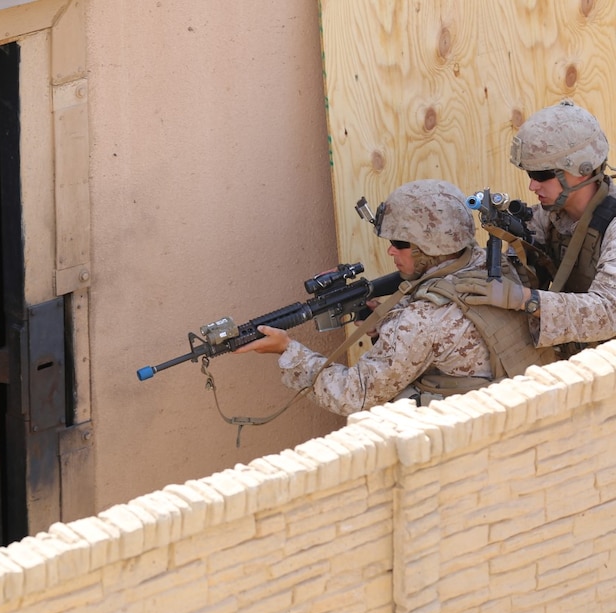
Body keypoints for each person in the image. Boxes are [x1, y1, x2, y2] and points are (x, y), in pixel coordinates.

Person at [235, 179, 551, 417]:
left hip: (468, 432)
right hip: (521, 403)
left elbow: (353, 394)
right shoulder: (493, 263)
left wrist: (287, 350)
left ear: (427, 248)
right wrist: (384, 318)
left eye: (399, 243)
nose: (390, 250)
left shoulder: (419, 321)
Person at [455, 100, 616, 357]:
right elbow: (510, 273)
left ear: (582, 169)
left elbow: (609, 312)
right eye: (530, 174)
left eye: (542, 175)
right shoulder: (549, 217)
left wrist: (523, 299)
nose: (532, 186)